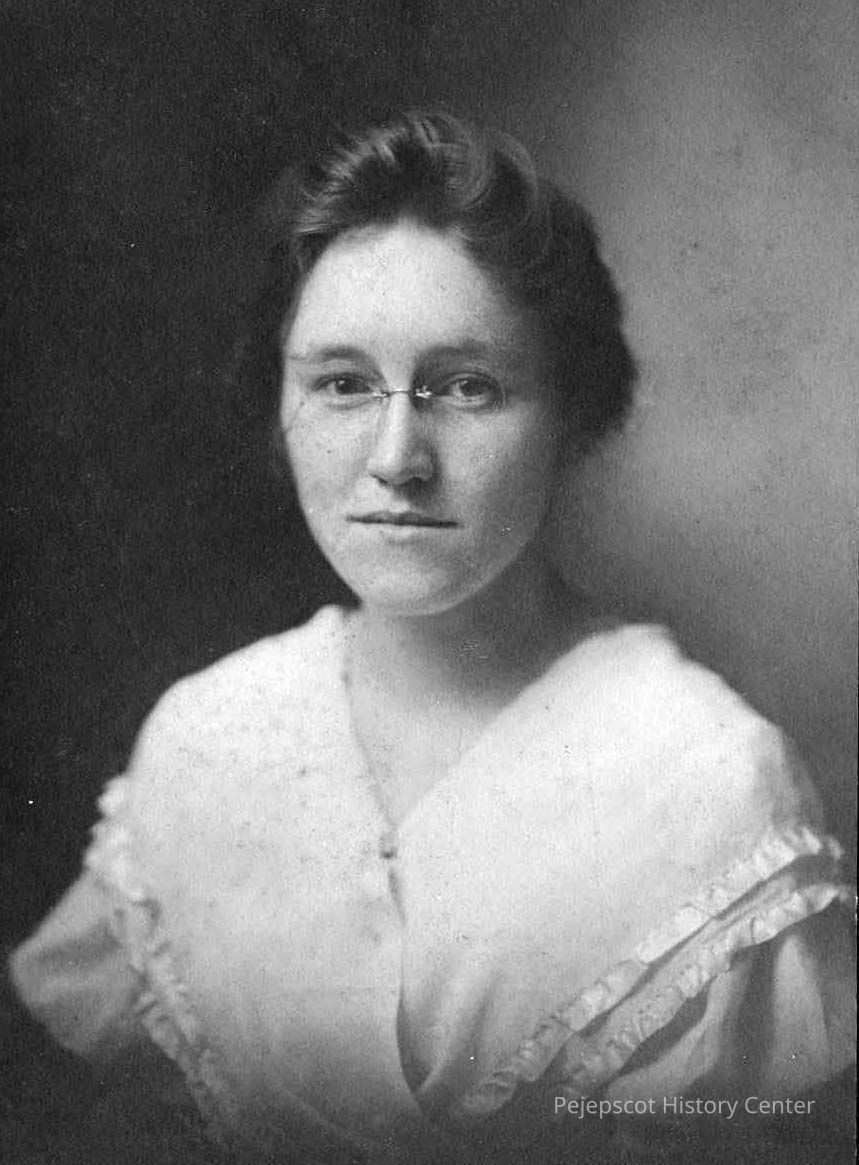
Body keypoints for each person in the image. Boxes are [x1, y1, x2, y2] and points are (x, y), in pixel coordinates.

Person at [7, 110, 855, 1164]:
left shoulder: (711, 781)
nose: (396, 457)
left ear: (573, 414)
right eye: (341, 384)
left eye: (466, 386)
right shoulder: (208, 736)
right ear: (279, 405)